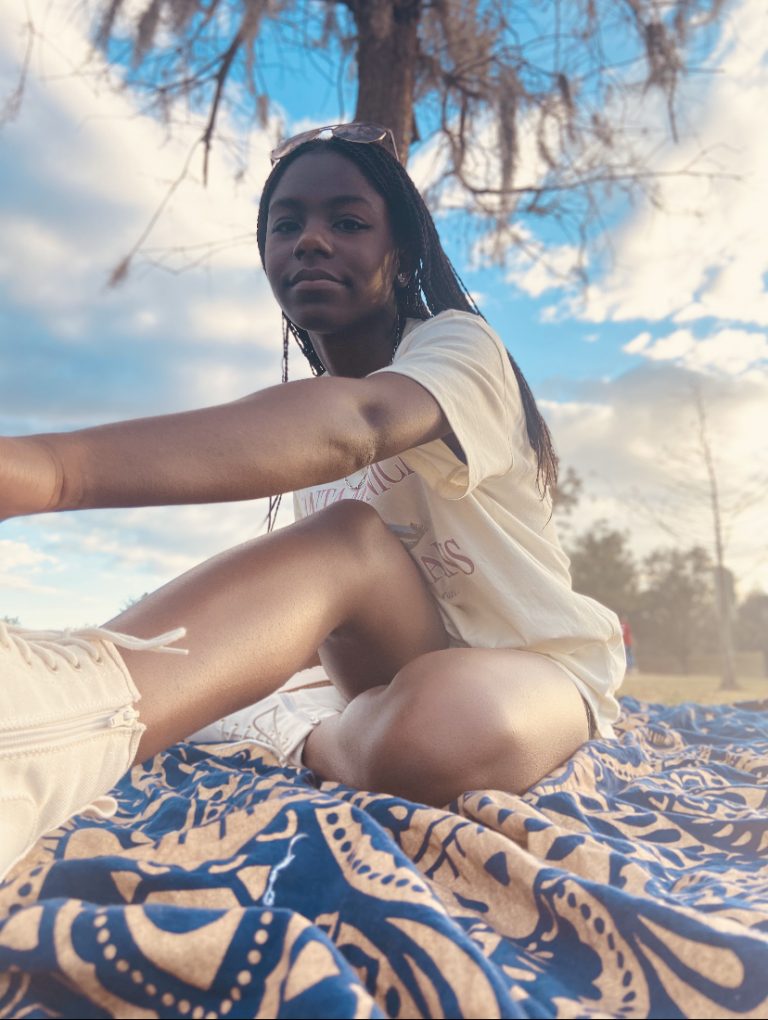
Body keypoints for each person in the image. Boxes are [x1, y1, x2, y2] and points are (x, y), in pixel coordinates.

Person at [0, 123, 625, 881]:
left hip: (534, 669)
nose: (312, 241)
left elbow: (360, 424)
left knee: (435, 733)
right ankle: (48, 724)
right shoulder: (307, 431)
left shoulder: (458, 347)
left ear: (401, 255)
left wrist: (46, 472)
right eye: (286, 225)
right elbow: (318, 594)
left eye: (348, 222)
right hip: (398, 662)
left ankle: (293, 732)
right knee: (347, 538)